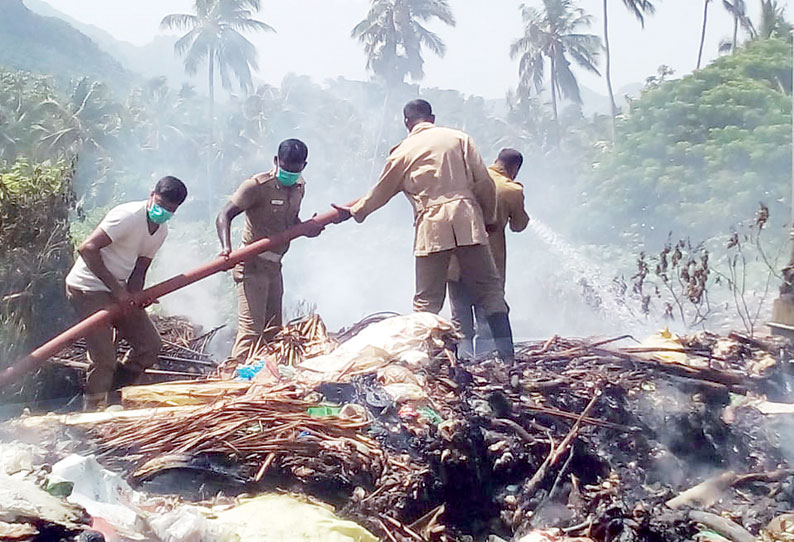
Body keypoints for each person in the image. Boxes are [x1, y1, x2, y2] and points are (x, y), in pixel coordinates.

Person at [333, 99, 517, 361]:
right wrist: (488, 219)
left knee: (426, 303)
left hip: (432, 225)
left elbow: (381, 192)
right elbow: (485, 183)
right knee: (491, 290)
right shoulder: (459, 138)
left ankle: (425, 362)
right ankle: (509, 359)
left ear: (406, 122)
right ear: (432, 117)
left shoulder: (403, 151)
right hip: (468, 220)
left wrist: (354, 212)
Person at [65, 176, 188, 410]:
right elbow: (87, 249)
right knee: (103, 359)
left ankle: (112, 391)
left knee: (149, 344)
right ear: (152, 195)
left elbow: (140, 270)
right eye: (160, 205)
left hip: (116, 290)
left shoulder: (160, 232)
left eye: (169, 210)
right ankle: (92, 412)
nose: (161, 212)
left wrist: (136, 297)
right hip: (88, 288)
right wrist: (118, 292)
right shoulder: (127, 216)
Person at [216, 138, 322, 363]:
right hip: (251, 266)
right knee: (251, 332)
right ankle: (233, 379)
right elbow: (224, 215)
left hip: (274, 267)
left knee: (273, 330)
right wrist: (226, 249)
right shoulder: (256, 186)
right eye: (285, 168)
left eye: (295, 170)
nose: (289, 174)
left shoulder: (299, 187)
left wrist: (306, 229)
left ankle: (267, 379)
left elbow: (291, 221)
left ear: (303, 166)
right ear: (276, 161)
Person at [447, 148, 529, 358]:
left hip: (456, 262)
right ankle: (486, 366)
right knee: (487, 320)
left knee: (461, 321)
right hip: (489, 265)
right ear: (515, 168)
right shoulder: (511, 189)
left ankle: (463, 366)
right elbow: (518, 225)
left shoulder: (467, 180)